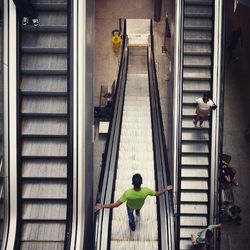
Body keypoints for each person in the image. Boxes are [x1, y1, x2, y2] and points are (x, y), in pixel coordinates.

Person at [95, 173, 172, 231]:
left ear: (132, 183)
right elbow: (157, 194)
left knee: (131, 217)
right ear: (141, 183)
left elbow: (116, 205)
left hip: (130, 207)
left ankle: (132, 226)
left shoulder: (128, 193)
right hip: (140, 205)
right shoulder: (146, 191)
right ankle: (138, 212)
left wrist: (102, 206)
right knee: (138, 210)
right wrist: (166, 189)